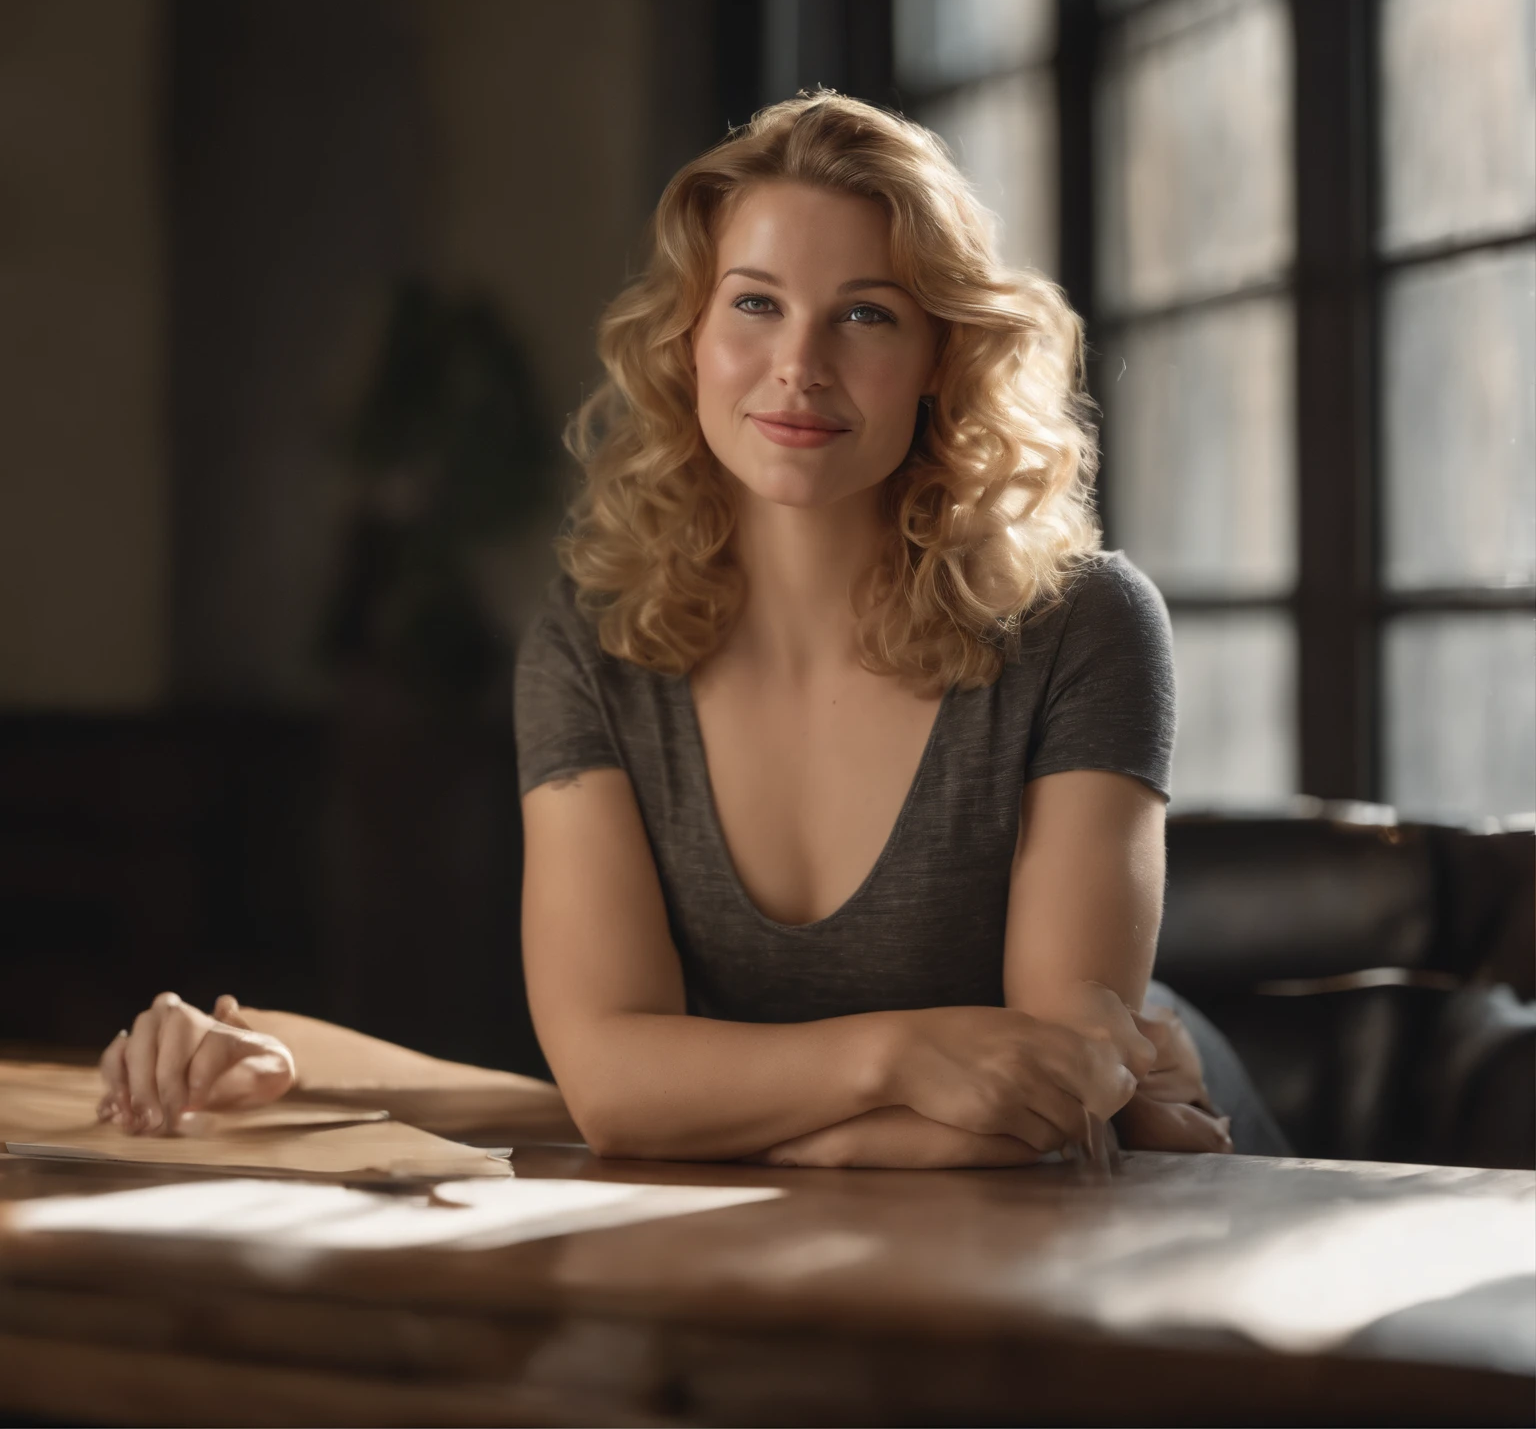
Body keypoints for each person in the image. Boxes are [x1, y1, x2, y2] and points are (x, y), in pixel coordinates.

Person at [97, 92, 1286, 1165]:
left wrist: (716, 1108)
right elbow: (611, 1087)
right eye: (756, 304)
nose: (799, 367)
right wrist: (900, 1063)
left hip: (1175, 1202)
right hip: (836, 1241)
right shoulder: (593, 641)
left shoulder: (1083, 624)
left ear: (941, 355)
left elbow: (1042, 1108)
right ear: (688, 338)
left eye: (865, 315)